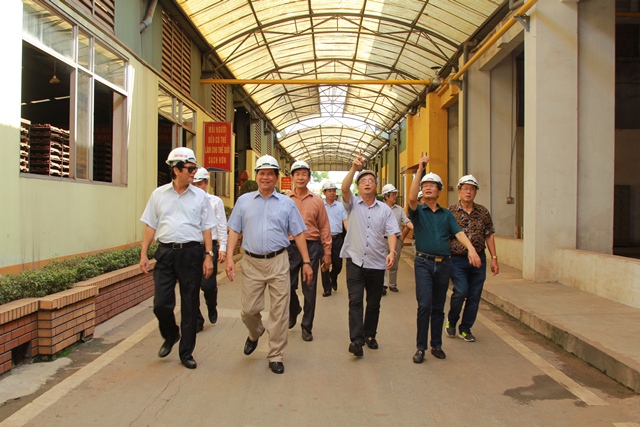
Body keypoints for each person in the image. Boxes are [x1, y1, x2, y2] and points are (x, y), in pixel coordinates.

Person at [225, 155, 313, 374]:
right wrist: (229, 258)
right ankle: (255, 332)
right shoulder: (244, 201)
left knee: (279, 312)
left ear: (276, 177)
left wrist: (306, 262)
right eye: (262, 173)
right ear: (257, 176)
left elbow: (299, 233)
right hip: (251, 263)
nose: (266, 177)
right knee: (248, 310)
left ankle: (275, 354)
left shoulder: (286, 203)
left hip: (278, 262)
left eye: (270, 174)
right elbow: (234, 229)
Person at [139, 147, 216, 370]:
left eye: (195, 169)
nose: (194, 173)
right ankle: (171, 334)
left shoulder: (201, 197)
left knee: (190, 305)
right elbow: (150, 225)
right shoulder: (158, 195)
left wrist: (208, 256)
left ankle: (186, 352)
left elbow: (207, 227)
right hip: (165, 253)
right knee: (161, 304)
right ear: (176, 170)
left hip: (191, 254)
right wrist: (144, 254)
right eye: (190, 169)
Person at [407, 153, 481, 364]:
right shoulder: (418, 212)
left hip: (444, 264)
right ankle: (420, 348)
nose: (428, 188)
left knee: (438, 307)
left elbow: (459, 233)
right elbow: (411, 198)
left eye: (432, 185)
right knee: (424, 305)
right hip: (423, 263)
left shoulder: (447, 215)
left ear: (439, 191)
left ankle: (436, 345)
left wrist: (471, 250)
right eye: (425, 185)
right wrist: (420, 170)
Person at [341, 151, 400, 357]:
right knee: (355, 301)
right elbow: (344, 188)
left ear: (376, 187)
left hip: (376, 263)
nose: (367, 183)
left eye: (371, 181)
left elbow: (392, 232)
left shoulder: (385, 210)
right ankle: (356, 341)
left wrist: (392, 251)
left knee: (374, 303)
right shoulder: (352, 204)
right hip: (355, 260)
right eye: (363, 181)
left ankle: (369, 335)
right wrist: (354, 168)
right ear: (358, 187)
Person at [445, 174, 499, 342]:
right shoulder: (450, 212)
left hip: (479, 260)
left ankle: (465, 328)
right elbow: (444, 236)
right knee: (461, 291)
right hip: (457, 259)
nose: (468, 192)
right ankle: (452, 320)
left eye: (472, 189)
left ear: (476, 192)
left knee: (474, 295)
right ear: (459, 191)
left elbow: (489, 234)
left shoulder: (483, 212)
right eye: (465, 188)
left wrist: (494, 258)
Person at [287, 160, 332, 342]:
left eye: (304, 174)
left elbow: (324, 227)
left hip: (312, 246)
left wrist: (327, 252)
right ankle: (294, 309)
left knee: (310, 288)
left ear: (309, 177)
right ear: (292, 177)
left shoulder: (317, 201)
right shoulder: (285, 200)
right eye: (297, 174)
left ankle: (307, 327)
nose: (300, 177)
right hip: (290, 247)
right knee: (287, 286)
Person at [192, 167, 228, 331]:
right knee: (191, 286)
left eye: (200, 183)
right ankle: (197, 320)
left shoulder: (215, 201)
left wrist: (223, 247)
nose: (198, 187)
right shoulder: (188, 201)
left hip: (210, 246)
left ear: (206, 183)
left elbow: (221, 225)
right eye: (195, 184)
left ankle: (211, 305)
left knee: (208, 284)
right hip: (192, 246)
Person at [380, 183, 413, 294]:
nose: (395, 196)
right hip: (383, 239)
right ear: (386, 196)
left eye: (395, 194)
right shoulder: (380, 208)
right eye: (393, 194)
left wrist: (416, 228)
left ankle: (392, 285)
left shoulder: (399, 209)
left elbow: (406, 221)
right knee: (383, 262)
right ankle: (383, 285)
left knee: (394, 263)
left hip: (396, 240)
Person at [320, 181, 348, 297]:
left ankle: (333, 275)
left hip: (337, 239)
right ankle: (327, 288)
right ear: (325, 193)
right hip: (323, 239)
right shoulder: (320, 206)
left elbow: (345, 220)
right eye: (329, 191)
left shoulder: (340, 206)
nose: (332, 193)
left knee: (338, 265)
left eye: (333, 191)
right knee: (324, 264)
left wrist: (350, 233)